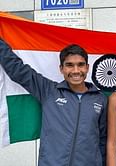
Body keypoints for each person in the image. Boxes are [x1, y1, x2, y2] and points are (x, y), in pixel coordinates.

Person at [0, 38, 107, 166]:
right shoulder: (49, 91)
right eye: (69, 65)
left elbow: (103, 139)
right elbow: (18, 70)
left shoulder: (100, 99)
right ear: (61, 69)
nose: (76, 71)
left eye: (80, 64)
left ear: (87, 67)